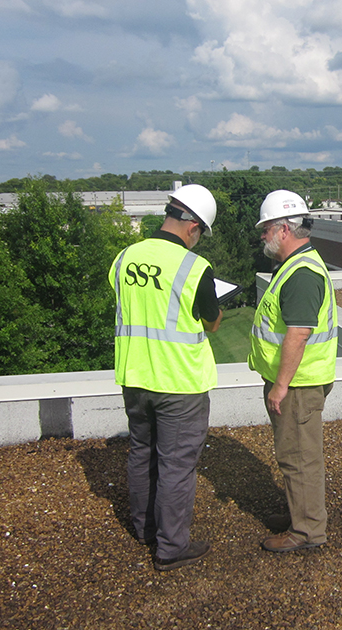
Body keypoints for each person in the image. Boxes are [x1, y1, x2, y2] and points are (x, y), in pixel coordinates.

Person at [108, 184, 223, 571]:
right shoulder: (195, 268)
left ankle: (145, 529)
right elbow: (212, 321)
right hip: (178, 383)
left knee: (142, 453)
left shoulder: (126, 257)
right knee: (176, 465)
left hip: (134, 376)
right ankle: (171, 547)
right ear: (194, 227)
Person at [248, 190, 338, 552]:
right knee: (293, 453)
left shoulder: (300, 274)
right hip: (298, 382)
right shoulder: (296, 266)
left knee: (300, 457)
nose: (263, 236)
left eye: (266, 229)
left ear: (284, 229)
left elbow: (298, 334)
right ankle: (298, 512)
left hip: (298, 385)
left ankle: (307, 531)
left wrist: (280, 386)